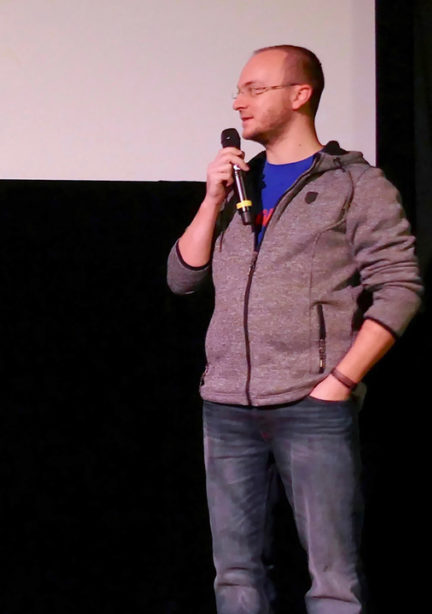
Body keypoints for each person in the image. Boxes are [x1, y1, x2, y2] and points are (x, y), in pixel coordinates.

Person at [167, 46, 422, 613]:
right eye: (239, 90)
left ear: (299, 95)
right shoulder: (240, 183)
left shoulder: (355, 184)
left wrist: (339, 381)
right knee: (235, 577)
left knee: (333, 579)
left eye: (255, 88)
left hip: (313, 406)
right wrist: (211, 200)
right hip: (228, 406)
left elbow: (401, 286)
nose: (239, 101)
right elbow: (182, 279)